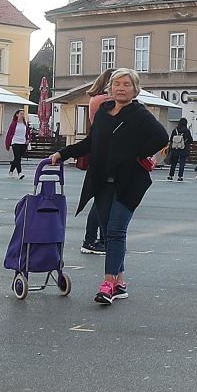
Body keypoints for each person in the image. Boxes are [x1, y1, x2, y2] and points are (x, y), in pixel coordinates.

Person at [47, 68, 168, 306]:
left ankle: (108, 283)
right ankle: (120, 281)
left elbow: (161, 137)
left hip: (129, 182)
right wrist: (64, 153)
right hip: (101, 180)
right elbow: (92, 142)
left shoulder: (140, 114)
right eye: (117, 84)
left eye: (126, 84)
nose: (121, 88)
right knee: (108, 229)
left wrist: (136, 153)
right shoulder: (103, 113)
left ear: (135, 89)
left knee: (115, 231)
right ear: (110, 88)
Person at [78, 67, 116, 255]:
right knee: (102, 200)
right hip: (106, 153)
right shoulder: (105, 101)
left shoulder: (95, 99)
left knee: (101, 200)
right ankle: (94, 239)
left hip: (100, 152)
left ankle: (93, 239)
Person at [4, 109, 31, 177]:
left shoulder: (25, 123)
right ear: (17, 115)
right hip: (15, 142)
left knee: (17, 158)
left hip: (23, 142)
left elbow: (28, 133)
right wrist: (7, 143)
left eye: (23, 114)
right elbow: (9, 133)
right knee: (17, 157)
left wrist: (28, 139)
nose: (22, 115)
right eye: (21, 114)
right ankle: (20, 173)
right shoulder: (14, 124)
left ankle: (11, 170)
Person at [165, 118, 191, 182]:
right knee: (182, 163)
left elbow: (171, 139)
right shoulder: (187, 131)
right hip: (183, 148)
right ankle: (180, 176)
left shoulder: (175, 130)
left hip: (175, 148)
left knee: (174, 163)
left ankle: (171, 175)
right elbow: (190, 140)